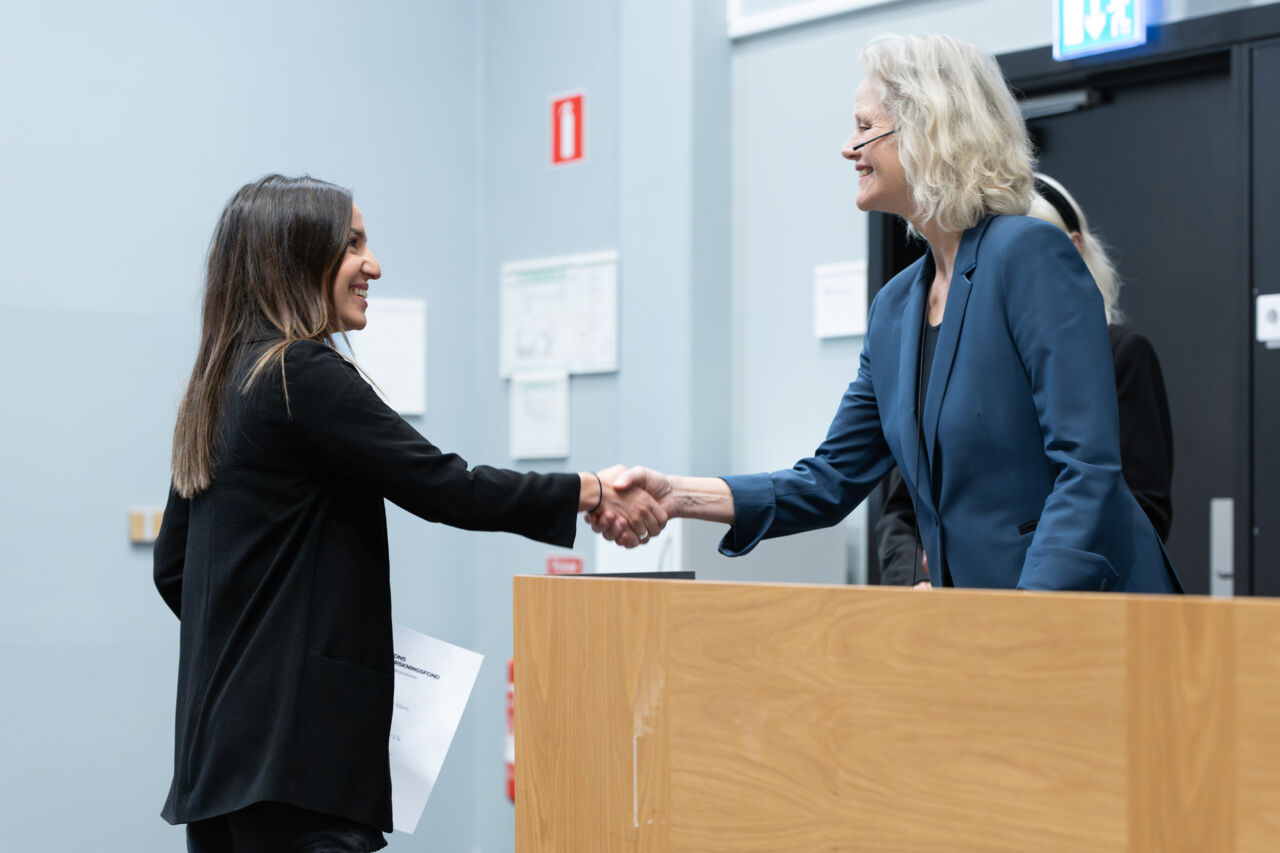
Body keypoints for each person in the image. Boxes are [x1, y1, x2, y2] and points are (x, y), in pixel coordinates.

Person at [154, 174, 665, 852]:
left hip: (218, 771)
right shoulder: (300, 373)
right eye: (353, 245)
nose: (374, 265)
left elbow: (174, 570)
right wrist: (591, 489)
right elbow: (447, 485)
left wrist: (267, 644)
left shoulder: (221, 387)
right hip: (299, 771)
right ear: (298, 256)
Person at [592, 34, 1181, 594]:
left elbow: (1088, 472)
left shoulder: (1027, 254)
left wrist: (1021, 621)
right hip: (985, 629)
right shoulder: (896, 306)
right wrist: (676, 495)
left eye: (865, 128)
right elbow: (827, 482)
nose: (849, 149)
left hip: (1078, 620)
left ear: (930, 130)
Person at [876, 174, 1175, 586]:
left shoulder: (1119, 352)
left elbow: (1135, 501)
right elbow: (902, 505)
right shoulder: (922, 340)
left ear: (1069, 249)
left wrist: (1032, 593)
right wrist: (914, 583)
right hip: (953, 610)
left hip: (1062, 605)